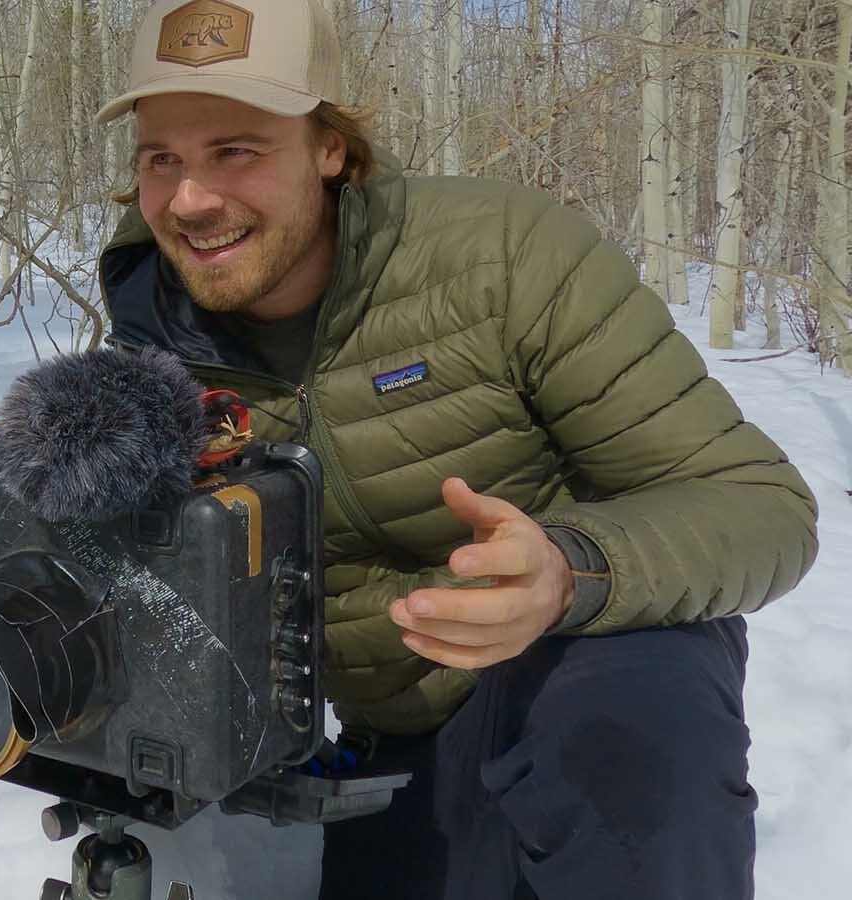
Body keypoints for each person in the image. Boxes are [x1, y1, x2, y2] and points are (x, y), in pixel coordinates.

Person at [94, 2, 820, 897]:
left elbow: (760, 505)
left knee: (633, 741)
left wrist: (567, 570)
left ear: (330, 148)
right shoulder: (153, 338)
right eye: (161, 159)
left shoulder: (503, 256)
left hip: (583, 663)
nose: (192, 199)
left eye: (236, 150)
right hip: (398, 738)